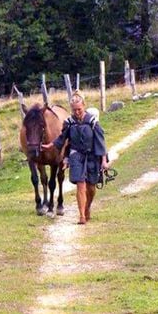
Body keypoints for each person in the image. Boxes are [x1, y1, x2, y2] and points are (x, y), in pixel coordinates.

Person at [42, 93, 108, 224]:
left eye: (79, 109)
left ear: (84, 106)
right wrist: (51, 144)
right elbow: (62, 138)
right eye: (74, 110)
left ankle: (87, 207)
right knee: (80, 184)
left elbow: (101, 142)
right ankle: (82, 215)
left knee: (91, 187)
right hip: (76, 155)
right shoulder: (69, 123)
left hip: (92, 155)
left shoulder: (93, 123)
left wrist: (104, 160)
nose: (77, 112)